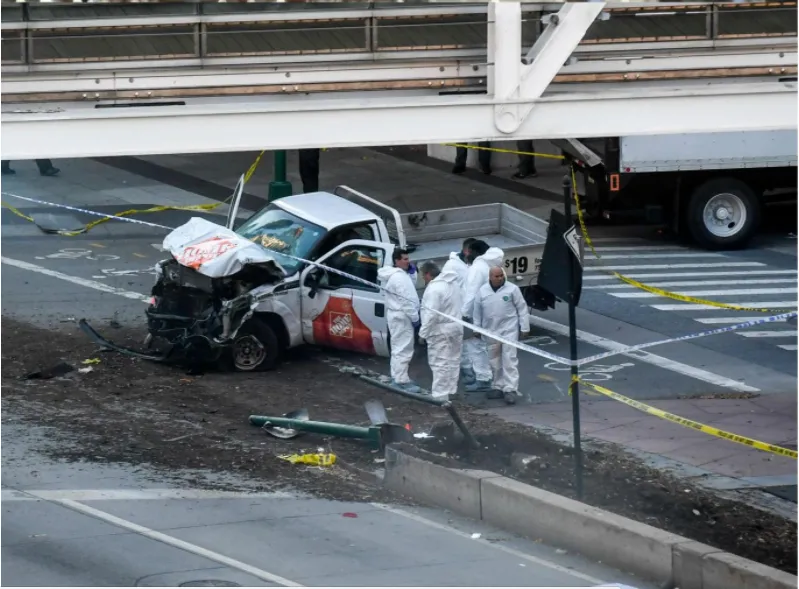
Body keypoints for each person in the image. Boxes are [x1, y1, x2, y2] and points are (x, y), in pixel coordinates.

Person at [474, 266, 530, 405]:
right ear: (490, 277)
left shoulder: (512, 289)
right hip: (491, 331)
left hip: (509, 330)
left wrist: (524, 327)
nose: (500, 278)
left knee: (509, 359)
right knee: (494, 360)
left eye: (501, 275)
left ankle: (510, 389)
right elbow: (477, 311)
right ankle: (498, 386)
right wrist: (476, 328)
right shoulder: (482, 291)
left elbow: (522, 308)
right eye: (496, 276)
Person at [460, 240, 505, 392]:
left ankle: (483, 378)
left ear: (475, 252)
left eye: (469, 251)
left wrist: (464, 313)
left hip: (477, 313)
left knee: (475, 345)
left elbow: (471, 293)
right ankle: (490, 377)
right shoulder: (491, 266)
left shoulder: (477, 267)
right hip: (490, 311)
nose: (467, 254)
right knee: (486, 346)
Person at [377, 248, 421, 393]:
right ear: (397, 261)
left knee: (398, 347)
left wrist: (412, 273)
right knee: (403, 349)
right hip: (402, 316)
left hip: (398, 316)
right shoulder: (398, 278)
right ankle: (401, 381)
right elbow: (406, 300)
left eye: (408, 259)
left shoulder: (399, 275)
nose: (408, 262)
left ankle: (397, 376)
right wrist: (415, 318)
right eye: (405, 259)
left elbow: (410, 286)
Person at [418, 261, 463, 401]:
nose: (423, 279)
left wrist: (423, 333)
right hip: (456, 326)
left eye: (423, 275)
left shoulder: (434, 289)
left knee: (440, 362)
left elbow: (431, 314)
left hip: (440, 329)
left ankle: (440, 395)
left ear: (428, 274)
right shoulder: (453, 284)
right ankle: (451, 389)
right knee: (454, 360)